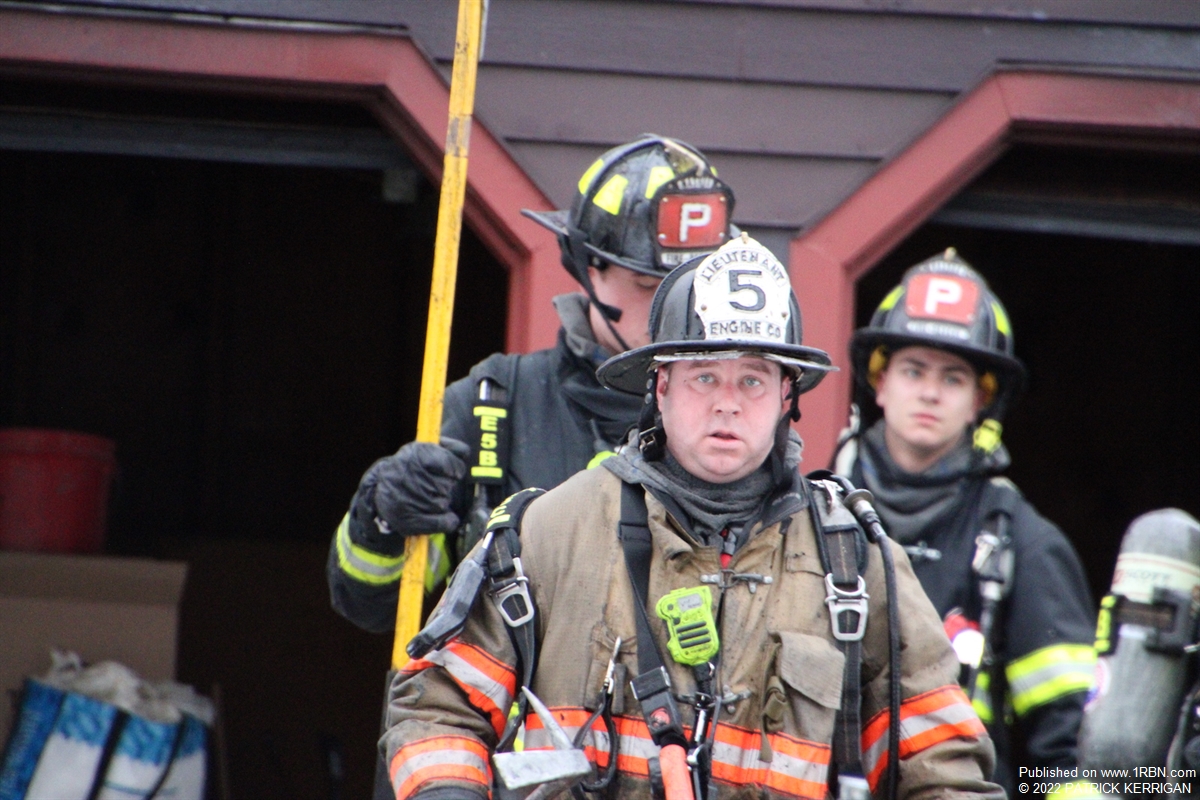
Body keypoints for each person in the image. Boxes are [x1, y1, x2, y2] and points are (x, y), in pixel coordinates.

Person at [382, 236, 1004, 800]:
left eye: (754, 380)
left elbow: (942, 770)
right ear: (660, 386)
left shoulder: (857, 563)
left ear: (789, 395)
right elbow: (436, 708)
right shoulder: (553, 531)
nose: (727, 404)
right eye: (704, 375)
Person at [328, 135, 736, 633]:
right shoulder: (493, 406)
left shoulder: (738, 417)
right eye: (650, 287)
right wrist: (383, 519)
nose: (673, 308)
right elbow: (372, 606)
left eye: (694, 286)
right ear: (587, 267)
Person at [832, 249, 1095, 795]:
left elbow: (1066, 748)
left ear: (980, 400)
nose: (930, 391)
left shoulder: (1023, 542)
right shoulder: (813, 513)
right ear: (879, 383)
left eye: (953, 378)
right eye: (912, 370)